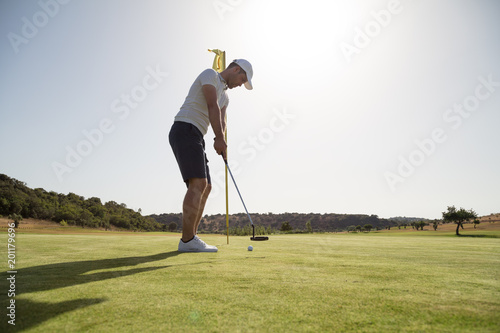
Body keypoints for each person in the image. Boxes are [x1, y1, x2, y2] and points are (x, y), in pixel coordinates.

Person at [169, 59, 253, 252]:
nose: (241, 84)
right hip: (185, 128)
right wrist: (217, 138)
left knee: (206, 186)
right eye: (242, 79)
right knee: (197, 183)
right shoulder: (210, 75)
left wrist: (222, 141)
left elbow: (222, 120)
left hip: (197, 135)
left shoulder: (227, 98)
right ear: (236, 69)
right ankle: (187, 240)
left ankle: (192, 237)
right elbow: (211, 105)